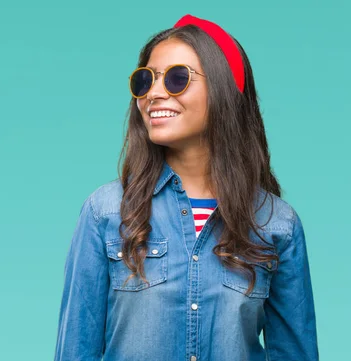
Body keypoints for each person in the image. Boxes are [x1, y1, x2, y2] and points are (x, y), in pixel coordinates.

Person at [53, 14, 319, 361]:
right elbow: (76, 351)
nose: (155, 94)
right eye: (145, 81)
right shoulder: (104, 211)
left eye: (178, 79)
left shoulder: (276, 224)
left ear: (224, 91)